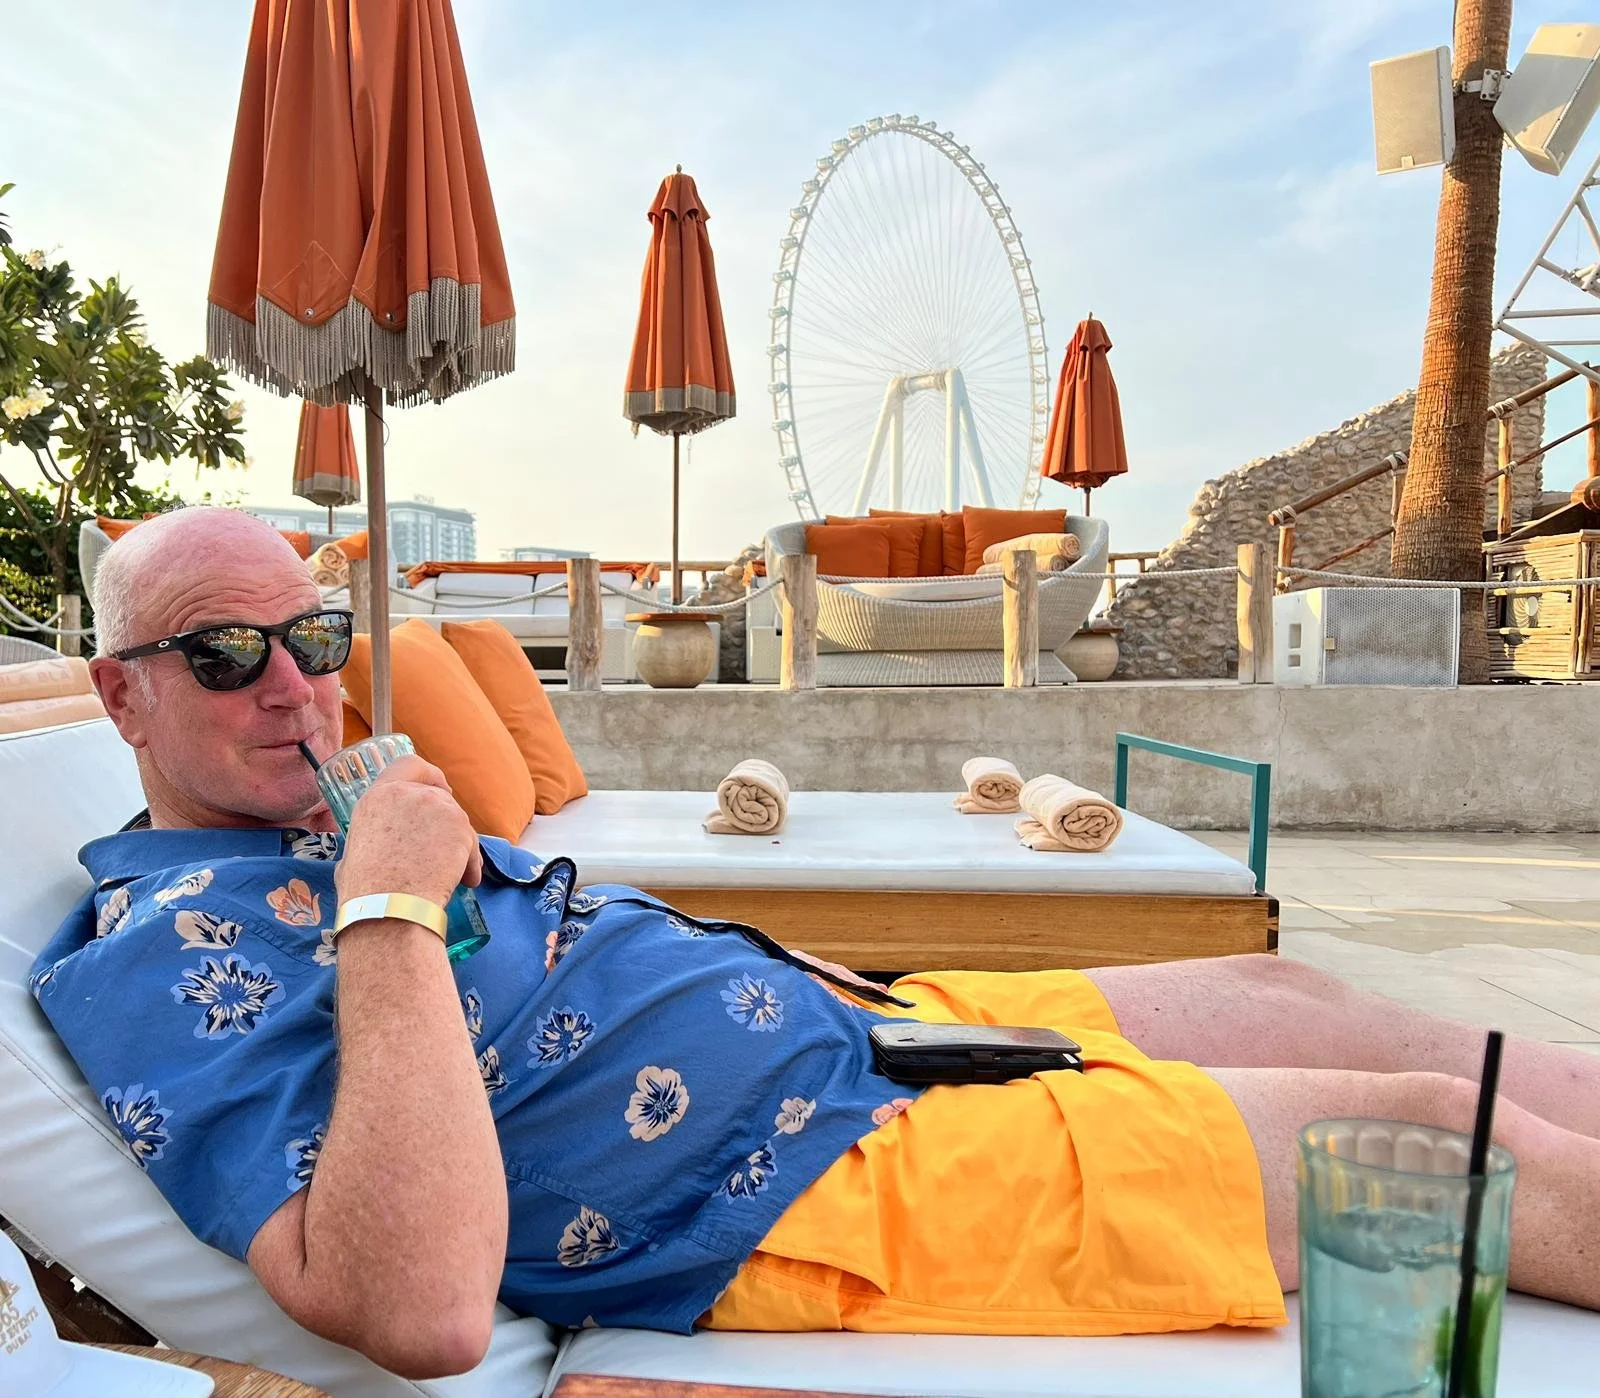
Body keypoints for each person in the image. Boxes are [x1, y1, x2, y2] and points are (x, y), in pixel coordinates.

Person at [31, 508, 1600, 1380]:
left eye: (313, 639)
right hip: (808, 1185)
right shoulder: (147, 966)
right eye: (232, 654)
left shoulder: (319, 810)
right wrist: (388, 902)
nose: (299, 690)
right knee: (1422, 1142)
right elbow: (419, 1308)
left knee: (1289, 983)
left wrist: (391, 863)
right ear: (122, 695)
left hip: (861, 1017)